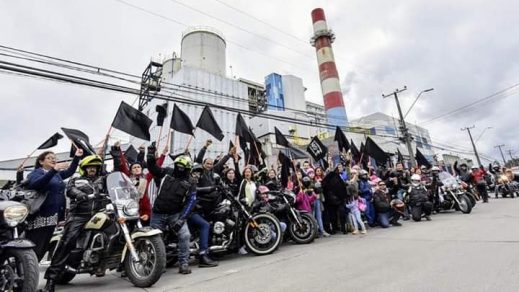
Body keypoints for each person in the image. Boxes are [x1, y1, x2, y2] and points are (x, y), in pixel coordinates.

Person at [39, 154, 108, 292]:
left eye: (94, 167)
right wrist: (79, 194)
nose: (92, 169)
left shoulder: (103, 180)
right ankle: (51, 280)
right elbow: (70, 190)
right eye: (89, 167)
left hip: (100, 212)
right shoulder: (76, 180)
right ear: (84, 168)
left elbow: (116, 180)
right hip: (79, 215)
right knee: (68, 241)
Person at [147, 147, 197, 275]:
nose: (180, 168)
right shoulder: (167, 172)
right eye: (178, 165)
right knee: (154, 239)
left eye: (183, 166)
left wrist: (181, 220)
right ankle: (157, 266)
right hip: (157, 213)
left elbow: (190, 202)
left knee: (185, 235)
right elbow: (152, 168)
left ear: (188, 168)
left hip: (175, 214)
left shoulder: (191, 182)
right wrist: (151, 155)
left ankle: (184, 263)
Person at [26, 148, 82, 262]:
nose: (53, 159)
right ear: (41, 162)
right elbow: (37, 184)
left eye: (55, 158)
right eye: (49, 158)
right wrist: (54, 171)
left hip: (53, 216)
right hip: (40, 216)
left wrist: (76, 157)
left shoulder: (56, 174)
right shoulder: (35, 173)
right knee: (35, 246)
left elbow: (70, 171)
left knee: (43, 247)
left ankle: (30, 270)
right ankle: (25, 271)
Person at [322, 164, 348, 234]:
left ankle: (337, 228)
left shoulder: (335, 177)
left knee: (335, 215)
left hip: (334, 200)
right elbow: (343, 188)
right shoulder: (334, 177)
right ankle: (340, 228)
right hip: (335, 199)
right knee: (337, 214)